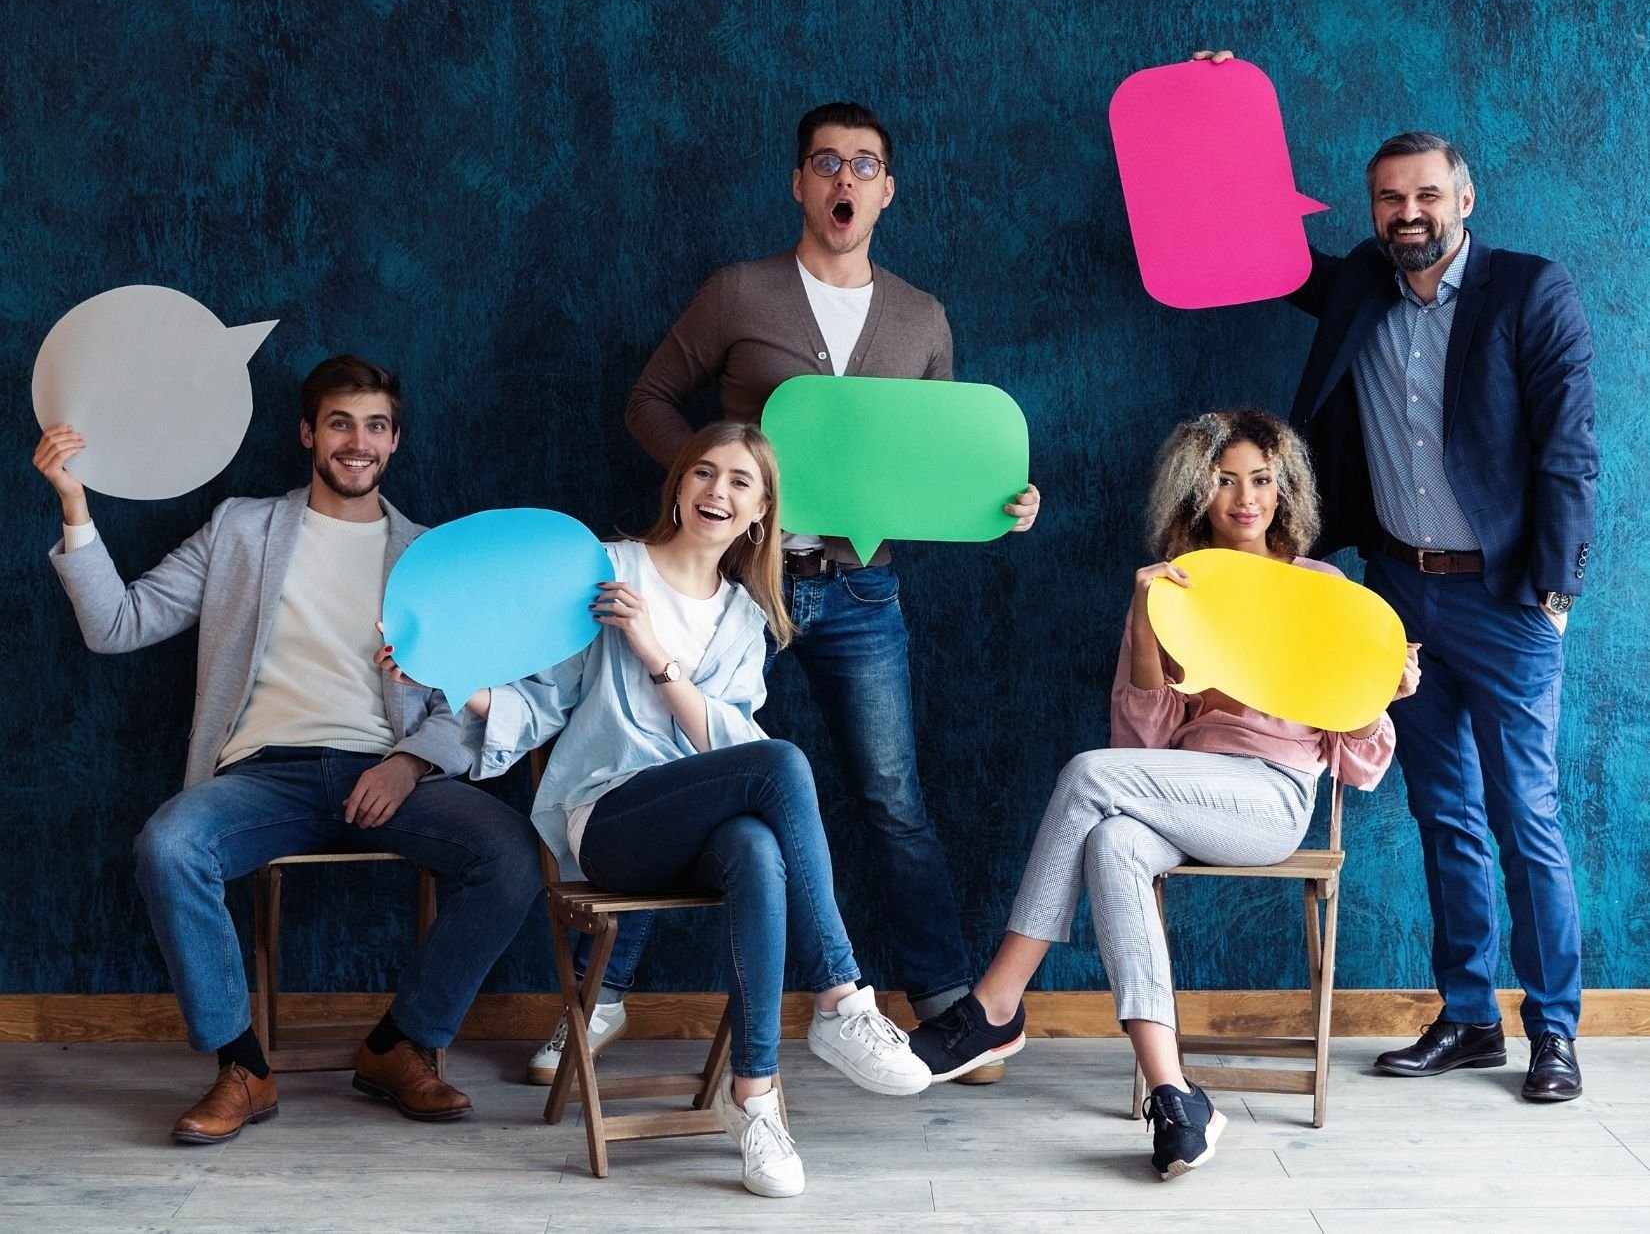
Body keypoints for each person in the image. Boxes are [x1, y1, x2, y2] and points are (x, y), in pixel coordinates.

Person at [620, 101, 1041, 1082]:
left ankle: (944, 1002)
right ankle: (603, 998)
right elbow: (647, 400)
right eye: (825, 163)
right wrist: (711, 491)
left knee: (894, 798)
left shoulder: (924, 319)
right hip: (736, 590)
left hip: (861, 596)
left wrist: (1002, 502)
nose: (844, 180)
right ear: (799, 184)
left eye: (864, 165)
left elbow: (940, 466)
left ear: (886, 190)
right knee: (674, 770)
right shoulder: (737, 293)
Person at [32, 355, 545, 1144]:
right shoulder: (241, 527)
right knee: (168, 845)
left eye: (376, 426)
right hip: (262, 776)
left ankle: (398, 1045)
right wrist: (74, 504)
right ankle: (243, 1065)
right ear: (309, 432)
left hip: (388, 771)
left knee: (510, 852)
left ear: (396, 442)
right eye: (340, 422)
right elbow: (117, 625)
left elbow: (462, 700)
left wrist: (406, 764)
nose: (357, 441)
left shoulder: (430, 553)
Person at [423, 420, 932, 1199]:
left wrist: (657, 654)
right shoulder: (613, 570)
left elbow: (726, 741)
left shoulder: (744, 617)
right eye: (702, 472)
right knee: (782, 762)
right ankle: (839, 996)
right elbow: (542, 699)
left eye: (737, 481)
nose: (715, 491)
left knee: (758, 848)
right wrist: (445, 672)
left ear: (763, 511)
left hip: (696, 829)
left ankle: (753, 1100)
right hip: (611, 821)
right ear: (679, 485)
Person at [909, 409, 1410, 1180]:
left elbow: (1359, 757)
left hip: (1271, 800)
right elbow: (1141, 742)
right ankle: (1176, 1098)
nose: (1246, 497)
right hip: (1176, 789)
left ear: (1286, 490)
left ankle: (995, 1004)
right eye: (1223, 481)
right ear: (1196, 493)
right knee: (1109, 838)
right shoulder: (1179, 585)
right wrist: (1145, 620)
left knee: (1085, 774)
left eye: (1262, 479)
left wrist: (1382, 690)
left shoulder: (1321, 587)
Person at [1273, 119, 1597, 1101]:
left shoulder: (1531, 292)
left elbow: (1568, 451)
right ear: (1372, 211)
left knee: (1525, 814)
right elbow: (1263, 247)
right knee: (1442, 811)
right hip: (1397, 593)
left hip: (1504, 597)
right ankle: (1468, 1019)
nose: (1406, 214)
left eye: (1424, 196)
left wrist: (1554, 594)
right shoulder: (1360, 288)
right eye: (1387, 199)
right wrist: (1218, 105)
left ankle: (1554, 1031)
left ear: (1464, 200)